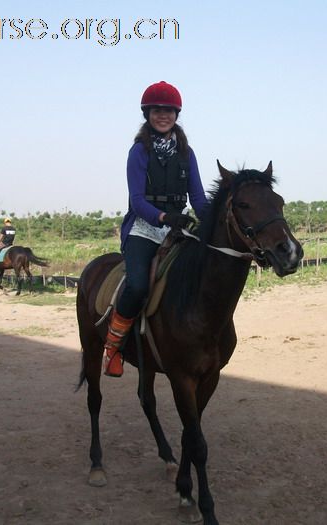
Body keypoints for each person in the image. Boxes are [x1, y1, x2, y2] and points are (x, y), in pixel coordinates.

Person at [102, 81, 209, 378]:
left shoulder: (187, 153)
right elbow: (137, 201)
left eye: (169, 111)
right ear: (148, 113)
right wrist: (163, 217)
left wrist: (211, 220)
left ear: (176, 114)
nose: (163, 116)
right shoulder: (139, 151)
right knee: (137, 285)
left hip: (178, 228)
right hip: (145, 228)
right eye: (157, 111)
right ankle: (113, 347)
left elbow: (198, 199)